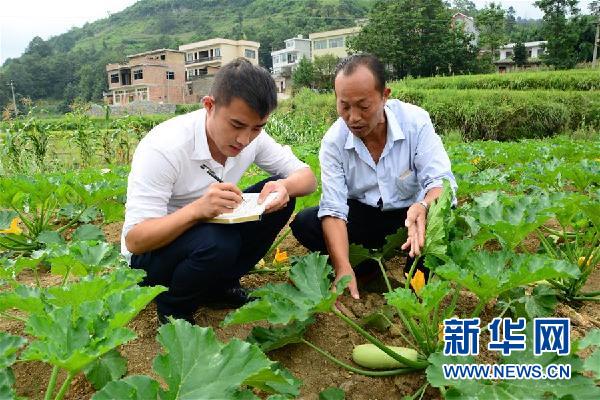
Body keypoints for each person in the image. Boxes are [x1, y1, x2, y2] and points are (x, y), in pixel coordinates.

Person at [122, 58, 317, 323]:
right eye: (236, 126)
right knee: (217, 242)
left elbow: (307, 178)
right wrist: (197, 211)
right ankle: (173, 308)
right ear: (209, 106)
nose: (244, 139)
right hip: (153, 259)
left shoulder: (251, 137)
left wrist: (283, 186)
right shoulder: (165, 147)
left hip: (206, 236)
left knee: (278, 199)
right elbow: (135, 240)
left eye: (257, 128)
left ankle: (219, 286)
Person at [290, 54, 456, 299]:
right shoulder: (333, 142)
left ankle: (417, 279)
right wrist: (342, 266)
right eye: (344, 106)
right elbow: (334, 209)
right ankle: (366, 271)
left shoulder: (415, 122)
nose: (353, 117)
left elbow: (441, 183)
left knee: (441, 217)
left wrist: (424, 205)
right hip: (363, 217)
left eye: (363, 106)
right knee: (306, 222)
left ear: (384, 95)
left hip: (409, 215)